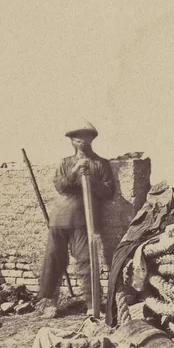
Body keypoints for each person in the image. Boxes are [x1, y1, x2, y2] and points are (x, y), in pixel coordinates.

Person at [36, 121, 116, 318]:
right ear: (71, 141)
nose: (80, 140)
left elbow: (108, 192)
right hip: (59, 218)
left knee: (86, 261)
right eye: (76, 137)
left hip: (83, 220)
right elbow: (60, 186)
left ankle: (91, 303)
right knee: (53, 259)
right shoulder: (65, 163)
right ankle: (47, 303)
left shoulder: (100, 164)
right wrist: (75, 171)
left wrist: (91, 179)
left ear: (91, 138)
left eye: (84, 135)